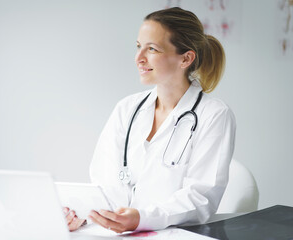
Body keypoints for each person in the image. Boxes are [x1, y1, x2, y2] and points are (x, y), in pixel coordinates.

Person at [65, 6, 236, 233]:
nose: (139, 58)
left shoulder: (213, 115)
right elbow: (104, 186)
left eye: (152, 49)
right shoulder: (126, 109)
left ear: (186, 58)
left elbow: (200, 198)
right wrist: (84, 214)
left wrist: (142, 218)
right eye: (138, 47)